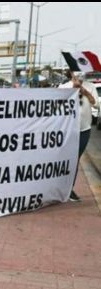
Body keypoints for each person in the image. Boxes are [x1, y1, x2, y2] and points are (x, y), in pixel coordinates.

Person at [59, 69, 98, 202]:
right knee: (65, 159)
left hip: (84, 130)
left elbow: (96, 104)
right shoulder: (64, 87)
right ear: (71, 74)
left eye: (82, 73)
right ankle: (59, 187)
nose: (80, 76)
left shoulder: (90, 86)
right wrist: (73, 90)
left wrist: (84, 92)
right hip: (68, 130)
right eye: (77, 73)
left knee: (75, 159)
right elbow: (58, 105)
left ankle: (69, 189)